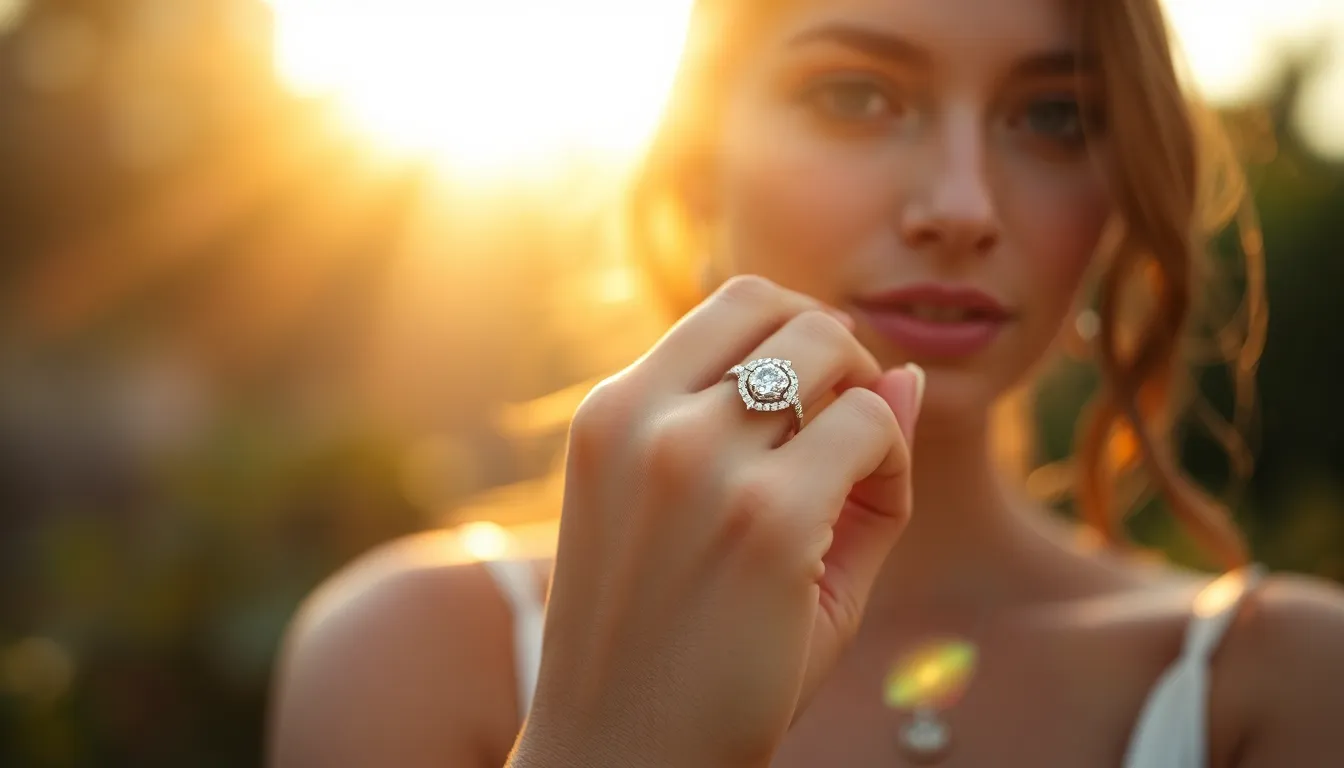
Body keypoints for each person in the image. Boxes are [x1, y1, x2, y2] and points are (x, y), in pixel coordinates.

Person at [267, 0, 1344, 765]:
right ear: (697, 153)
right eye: (856, 94)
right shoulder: (413, 657)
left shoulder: (1289, 684)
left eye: (1052, 116)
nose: (964, 204)